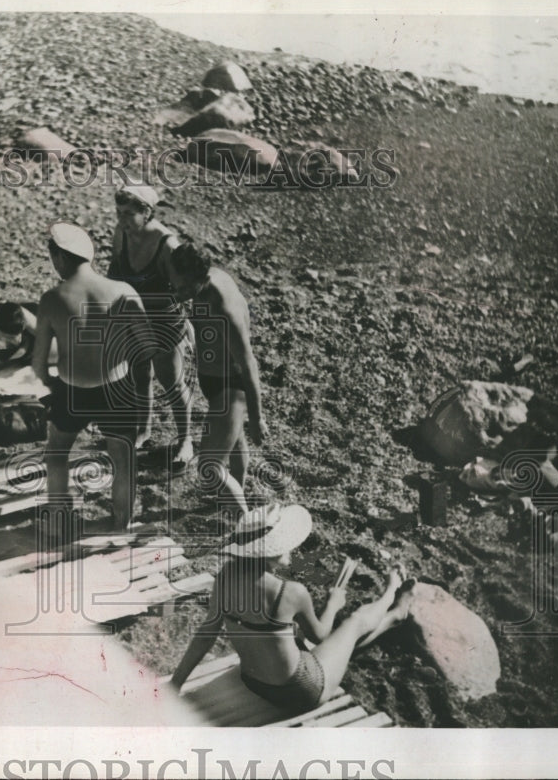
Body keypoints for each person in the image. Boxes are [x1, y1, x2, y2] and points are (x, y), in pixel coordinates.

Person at [169, 501, 414, 715]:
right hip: (302, 692)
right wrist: (333, 602)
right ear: (269, 553)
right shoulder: (290, 592)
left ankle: (394, 616)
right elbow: (320, 636)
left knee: (335, 643)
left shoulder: (225, 577)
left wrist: (175, 683)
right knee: (355, 622)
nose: (291, 547)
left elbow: (205, 635)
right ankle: (391, 594)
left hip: (254, 682)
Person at [32, 222, 155, 538]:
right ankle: (121, 524)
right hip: (116, 386)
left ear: (59, 257)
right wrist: (146, 412)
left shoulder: (52, 299)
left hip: (72, 388)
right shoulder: (124, 292)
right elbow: (144, 357)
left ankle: (59, 521)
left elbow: (39, 364)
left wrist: (50, 385)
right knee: (124, 462)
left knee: (57, 454)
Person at [166, 242, 267, 500]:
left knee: (209, 468)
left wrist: (257, 417)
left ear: (201, 279)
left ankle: (240, 515)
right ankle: (234, 494)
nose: (177, 292)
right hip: (214, 381)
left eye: (182, 287)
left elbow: (249, 364)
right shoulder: (204, 281)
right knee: (235, 442)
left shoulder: (222, 308)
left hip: (231, 387)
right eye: (174, 283)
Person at [108, 184, 194, 469]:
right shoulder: (121, 233)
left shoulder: (167, 245)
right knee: (139, 374)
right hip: (134, 316)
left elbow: (186, 287)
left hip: (164, 319)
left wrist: (185, 326)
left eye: (129, 213)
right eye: (119, 212)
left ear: (147, 212)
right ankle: (143, 429)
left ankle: (185, 439)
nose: (122, 219)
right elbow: (113, 272)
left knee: (171, 382)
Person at [0, 301, 56, 371]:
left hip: (38, 328)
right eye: (10, 337)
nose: (18, 340)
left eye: (20, 334)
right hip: (23, 354)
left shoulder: (19, 314)